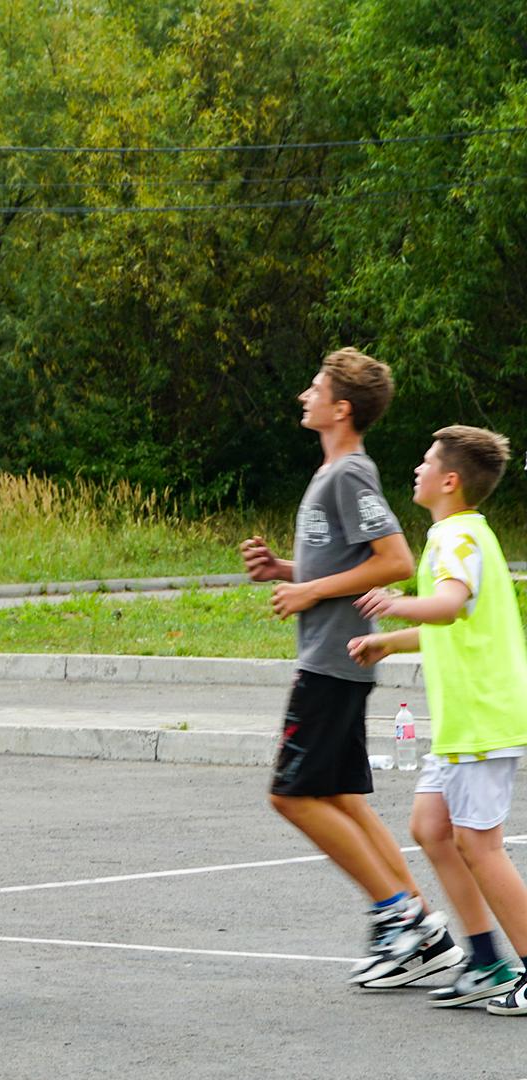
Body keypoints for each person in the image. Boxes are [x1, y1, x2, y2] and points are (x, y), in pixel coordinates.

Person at [239, 348, 448, 984]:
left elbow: (395, 562)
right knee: (342, 799)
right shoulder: (332, 472)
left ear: (342, 408)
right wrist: (287, 572)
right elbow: (341, 567)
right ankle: (417, 921)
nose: (305, 395)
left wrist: (308, 593)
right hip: (335, 658)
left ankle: (396, 917)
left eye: (315, 387)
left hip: (332, 662)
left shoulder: (351, 473)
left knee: (291, 797)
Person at [348, 426, 527, 1009]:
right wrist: (390, 642)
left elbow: (447, 607)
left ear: (449, 481)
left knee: (480, 845)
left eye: (426, 461)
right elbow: (449, 624)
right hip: (461, 726)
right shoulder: (459, 536)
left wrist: (394, 601)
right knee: (431, 829)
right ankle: (485, 962)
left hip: (480, 721)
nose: (417, 469)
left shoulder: (455, 538)